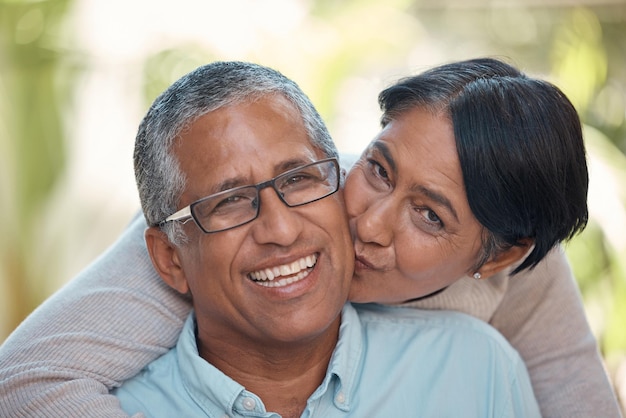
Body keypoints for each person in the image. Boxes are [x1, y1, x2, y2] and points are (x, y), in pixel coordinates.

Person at [0, 58, 620, 417]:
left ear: (498, 258)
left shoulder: (508, 310)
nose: (367, 222)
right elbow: (27, 378)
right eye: (377, 169)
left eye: (430, 216)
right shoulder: (257, 213)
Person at [116, 61, 539, 416]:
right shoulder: (115, 407)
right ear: (170, 259)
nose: (281, 230)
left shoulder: (476, 370)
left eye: (298, 178)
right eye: (230, 201)